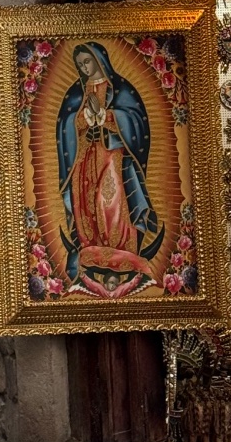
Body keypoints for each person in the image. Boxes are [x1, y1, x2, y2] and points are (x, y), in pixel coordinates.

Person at [57, 42, 163, 289]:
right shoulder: (76, 93)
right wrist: (82, 119)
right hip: (84, 158)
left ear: (99, 59)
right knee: (85, 204)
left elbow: (136, 120)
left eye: (88, 61)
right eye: (80, 64)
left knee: (110, 202)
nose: (85, 68)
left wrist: (107, 116)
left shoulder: (121, 89)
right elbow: (65, 125)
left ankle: (122, 252)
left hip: (111, 156)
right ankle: (90, 250)